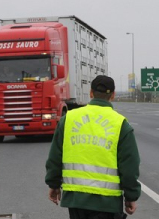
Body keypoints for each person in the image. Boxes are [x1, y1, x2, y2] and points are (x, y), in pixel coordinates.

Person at [45, 75, 141, 219]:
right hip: (107, 202)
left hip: (75, 199)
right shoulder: (120, 124)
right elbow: (129, 165)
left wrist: (53, 184)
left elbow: (55, 156)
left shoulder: (69, 119)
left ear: (91, 93)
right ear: (113, 95)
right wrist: (131, 196)